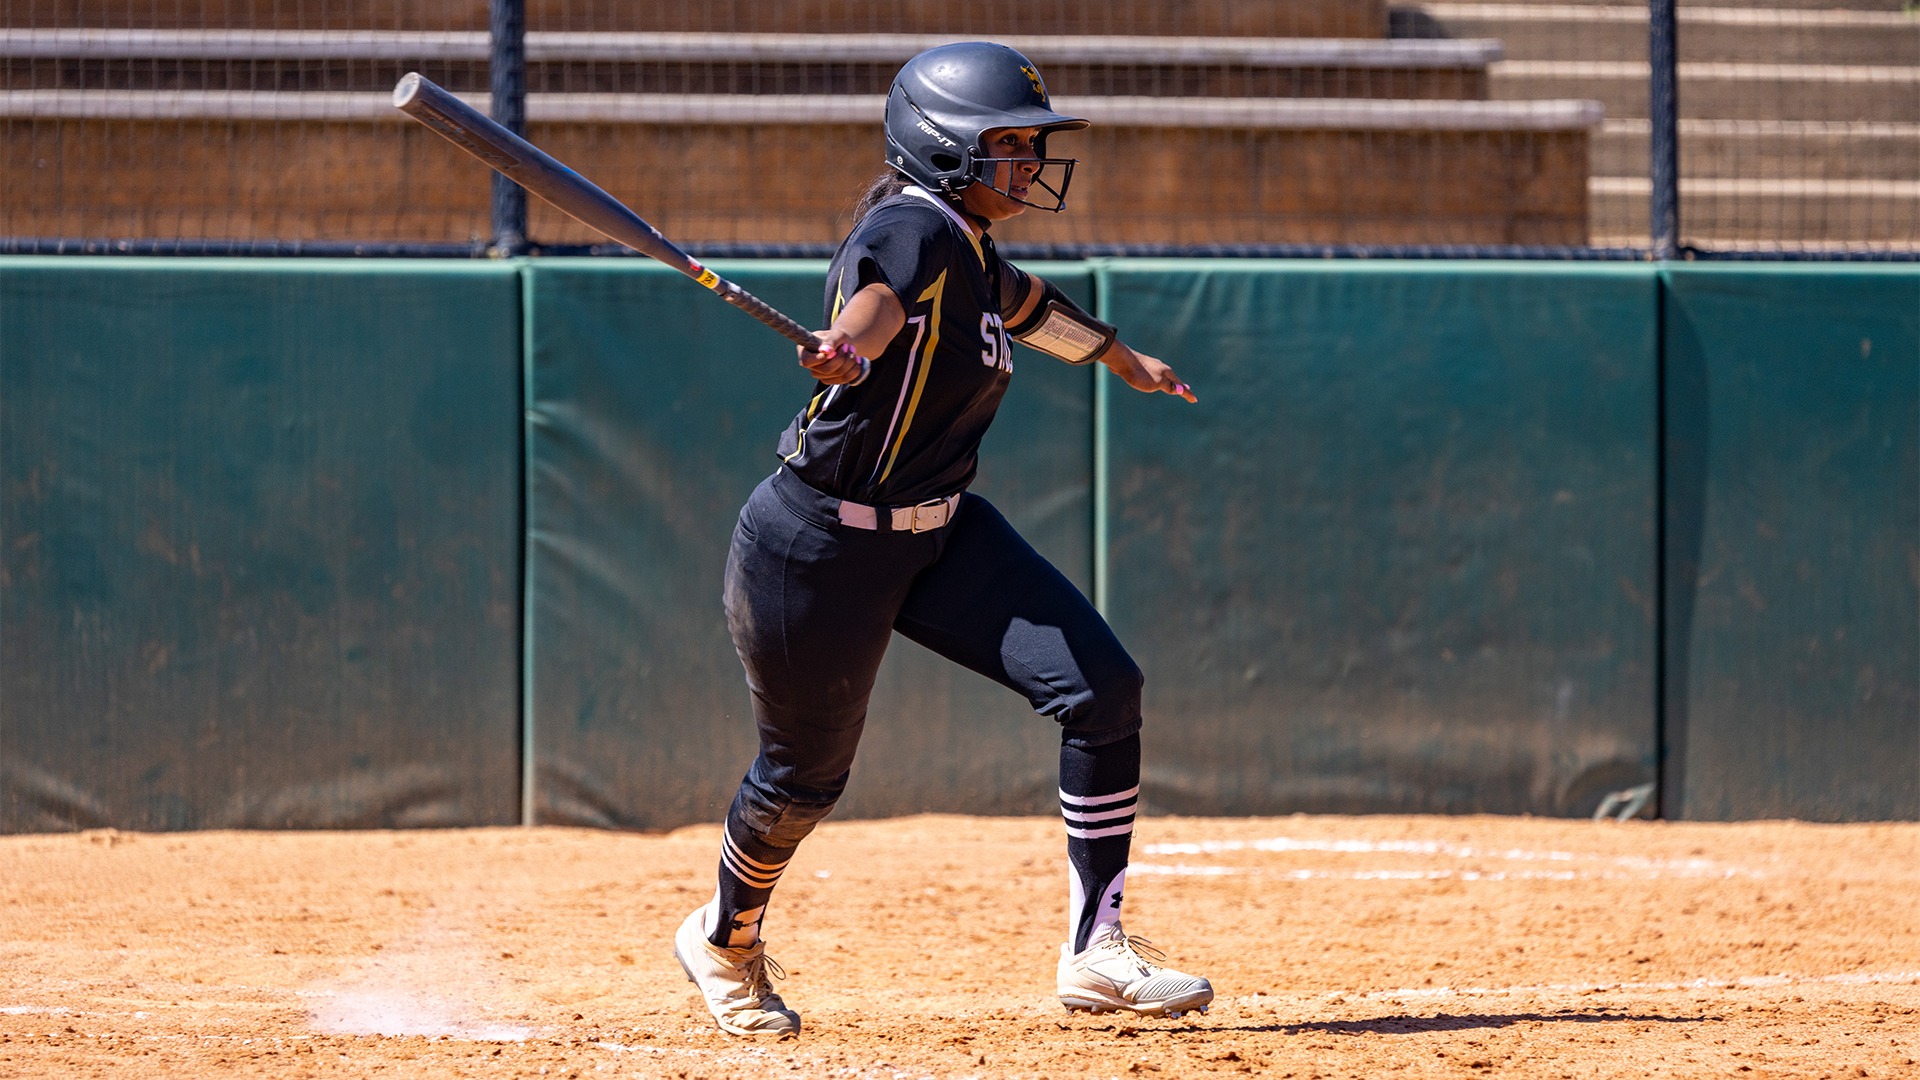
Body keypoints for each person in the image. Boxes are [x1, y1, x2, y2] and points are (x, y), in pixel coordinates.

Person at [671, 41, 1213, 1037]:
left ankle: (1097, 950)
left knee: (1102, 691)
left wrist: (1119, 356)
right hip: (818, 548)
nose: (1029, 163)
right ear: (943, 148)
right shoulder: (910, 229)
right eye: (1007, 144)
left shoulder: (968, 247)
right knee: (802, 782)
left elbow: (1029, 307)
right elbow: (876, 302)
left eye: (1029, 144)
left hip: (941, 531)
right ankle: (725, 941)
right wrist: (851, 345)